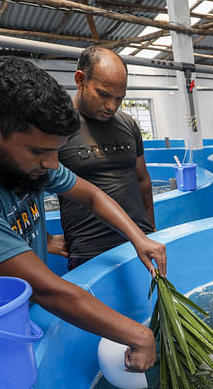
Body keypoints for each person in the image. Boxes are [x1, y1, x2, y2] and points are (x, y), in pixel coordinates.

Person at [0, 56, 166, 372]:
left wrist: (139, 238)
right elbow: (44, 287)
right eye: (40, 151)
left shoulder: (26, 162)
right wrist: (138, 334)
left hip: (21, 309)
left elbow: (93, 195)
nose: (53, 164)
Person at [58, 46, 154, 270]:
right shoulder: (57, 127)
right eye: (103, 94)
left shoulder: (128, 124)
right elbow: (22, 189)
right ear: (81, 80)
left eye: (119, 98)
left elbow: (143, 180)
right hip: (90, 252)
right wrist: (46, 239)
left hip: (139, 244)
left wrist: (150, 228)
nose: (111, 106)